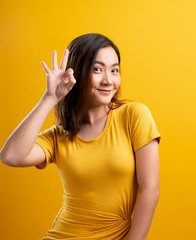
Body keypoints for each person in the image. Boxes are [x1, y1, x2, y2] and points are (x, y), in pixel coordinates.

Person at [0, 33, 161, 240]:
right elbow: (10, 156)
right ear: (76, 73)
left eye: (114, 70)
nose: (108, 80)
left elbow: (151, 189)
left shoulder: (134, 115)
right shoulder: (59, 136)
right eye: (97, 69)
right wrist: (50, 98)